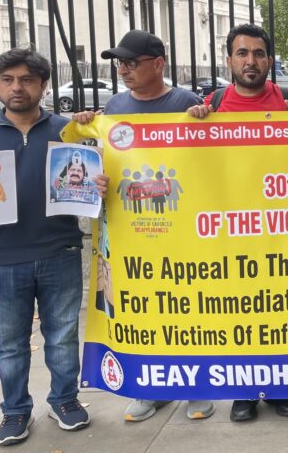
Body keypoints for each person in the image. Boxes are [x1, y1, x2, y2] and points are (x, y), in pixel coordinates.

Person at [0, 48, 109, 446]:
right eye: (8, 80)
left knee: (63, 336)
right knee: (12, 343)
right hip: (3, 257)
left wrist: (98, 186)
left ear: (43, 85)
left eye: (27, 79)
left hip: (61, 250)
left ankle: (65, 401)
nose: (17, 87)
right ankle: (15, 411)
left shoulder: (67, 130)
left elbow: (91, 179)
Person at [74, 30, 212, 421]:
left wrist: (204, 118)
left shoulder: (185, 102)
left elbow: (210, 160)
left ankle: (196, 388)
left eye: (132, 63)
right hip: (131, 231)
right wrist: (88, 129)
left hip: (181, 227)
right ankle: (151, 388)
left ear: (158, 64)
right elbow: (103, 159)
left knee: (188, 305)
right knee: (143, 310)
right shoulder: (115, 105)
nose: (124, 70)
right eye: (120, 64)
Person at [187, 23, 288, 420]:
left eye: (258, 54)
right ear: (229, 60)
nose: (250, 61)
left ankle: (283, 389)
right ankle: (244, 393)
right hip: (233, 230)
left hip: (285, 230)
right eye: (242, 53)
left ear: (270, 60)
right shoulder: (213, 105)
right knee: (241, 311)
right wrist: (194, 125)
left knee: (285, 310)